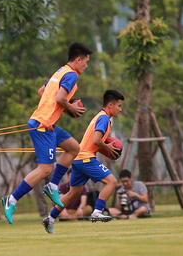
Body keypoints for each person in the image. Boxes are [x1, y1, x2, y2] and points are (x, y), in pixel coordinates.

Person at [1, 43, 91, 224]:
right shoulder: (71, 75)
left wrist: (61, 107)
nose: (86, 66)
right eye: (86, 62)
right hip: (43, 125)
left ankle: (52, 186)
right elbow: (59, 98)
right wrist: (69, 106)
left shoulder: (60, 71)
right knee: (45, 169)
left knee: (74, 148)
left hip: (46, 124)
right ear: (78, 59)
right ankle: (11, 200)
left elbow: (42, 91)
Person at [42, 90, 124, 233]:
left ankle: (50, 218)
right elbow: (96, 140)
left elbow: (95, 142)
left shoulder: (100, 116)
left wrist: (105, 149)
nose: (120, 109)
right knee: (112, 181)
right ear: (110, 105)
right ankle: (97, 212)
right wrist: (108, 148)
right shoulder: (104, 118)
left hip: (79, 159)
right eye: (119, 105)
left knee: (72, 194)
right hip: (86, 158)